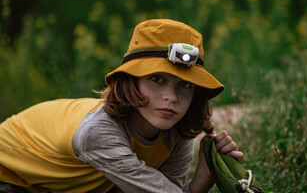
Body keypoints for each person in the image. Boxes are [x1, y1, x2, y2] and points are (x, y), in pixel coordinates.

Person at [0, 19, 243, 193]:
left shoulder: (175, 134)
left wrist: (205, 175)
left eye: (185, 85)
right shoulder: (98, 132)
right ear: (131, 83)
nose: (172, 97)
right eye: (157, 79)